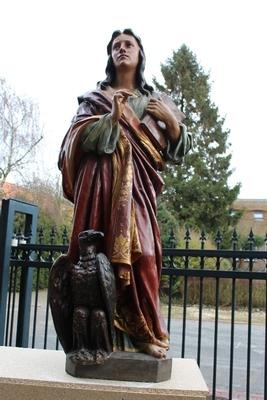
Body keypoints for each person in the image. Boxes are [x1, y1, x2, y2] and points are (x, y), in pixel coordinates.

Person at [58, 29, 191, 359]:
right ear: (110, 55)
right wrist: (111, 119)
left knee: (144, 256)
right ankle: (93, 340)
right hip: (99, 187)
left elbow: (179, 148)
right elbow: (73, 141)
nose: (122, 49)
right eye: (116, 46)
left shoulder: (157, 102)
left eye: (128, 45)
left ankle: (143, 333)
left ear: (140, 54)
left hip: (138, 190)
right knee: (96, 258)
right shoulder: (94, 99)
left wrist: (172, 126)